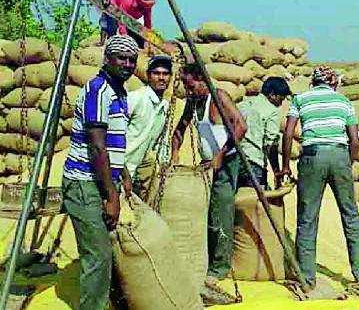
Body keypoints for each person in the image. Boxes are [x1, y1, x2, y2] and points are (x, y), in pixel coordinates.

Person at [62, 35, 139, 310]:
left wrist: (124, 173)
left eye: (132, 60)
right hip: (85, 184)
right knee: (98, 256)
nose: (128, 65)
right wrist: (111, 196)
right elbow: (97, 147)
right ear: (107, 59)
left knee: (105, 252)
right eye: (122, 59)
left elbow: (113, 141)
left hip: (100, 181)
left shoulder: (119, 92)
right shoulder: (98, 91)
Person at [282, 66, 359, 290]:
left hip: (312, 155)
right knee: (350, 215)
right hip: (339, 154)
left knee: (307, 218)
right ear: (333, 83)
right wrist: (346, 162)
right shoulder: (343, 101)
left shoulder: (300, 99)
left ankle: (307, 279)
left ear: (313, 81)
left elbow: (289, 133)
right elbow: (355, 141)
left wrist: (284, 166)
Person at [171, 63, 247, 302]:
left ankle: (220, 267)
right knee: (204, 211)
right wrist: (173, 155)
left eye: (190, 85)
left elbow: (241, 126)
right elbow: (179, 129)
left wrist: (220, 155)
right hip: (208, 163)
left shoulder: (219, 97)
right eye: (184, 85)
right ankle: (204, 259)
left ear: (202, 81)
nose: (188, 90)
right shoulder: (194, 102)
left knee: (221, 212)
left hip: (226, 162)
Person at [125, 55, 172, 201]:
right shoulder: (135, 99)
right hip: (120, 166)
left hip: (138, 169)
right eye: (156, 73)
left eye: (165, 74)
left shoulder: (164, 107)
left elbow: (159, 142)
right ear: (148, 76)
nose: (161, 78)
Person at [237, 77, 291, 189]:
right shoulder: (272, 111)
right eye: (281, 99)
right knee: (256, 202)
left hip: (235, 161)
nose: (281, 104)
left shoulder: (242, 105)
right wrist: (276, 171)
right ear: (272, 95)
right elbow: (270, 144)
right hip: (254, 162)